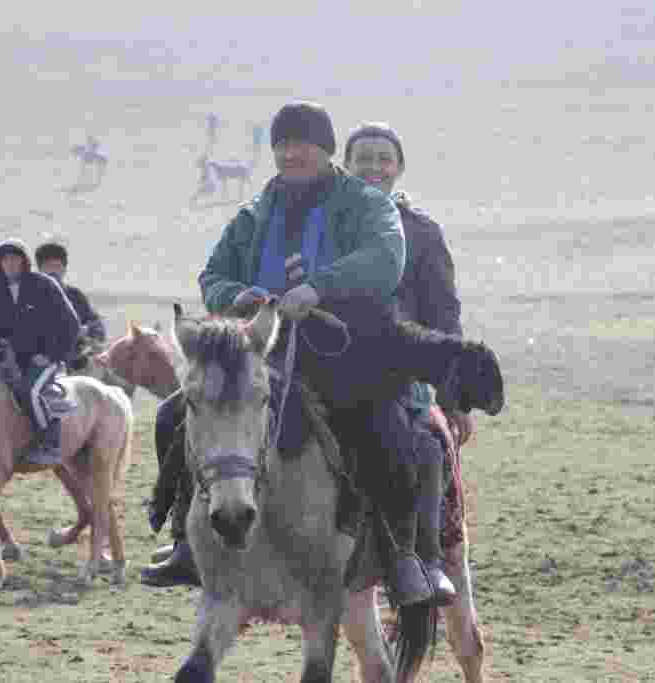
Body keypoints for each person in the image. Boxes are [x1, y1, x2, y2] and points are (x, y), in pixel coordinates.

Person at [140, 102, 504, 607]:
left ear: (325, 150)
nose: (292, 153)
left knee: (389, 431)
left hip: (349, 351)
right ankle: (186, 538)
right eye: (283, 145)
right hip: (266, 351)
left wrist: (318, 289)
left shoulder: (365, 206)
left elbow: (383, 260)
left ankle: (405, 557)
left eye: (303, 144)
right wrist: (240, 296)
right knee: (174, 414)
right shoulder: (254, 214)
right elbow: (212, 276)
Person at [343, 121, 468, 604]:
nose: (373, 166)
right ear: (345, 165)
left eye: (383, 157)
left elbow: (443, 315)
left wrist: (453, 394)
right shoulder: (322, 224)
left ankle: (421, 559)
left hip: (397, 375)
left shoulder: (421, 232)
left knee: (425, 448)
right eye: (363, 157)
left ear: (397, 167)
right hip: (324, 367)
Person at [0, 238, 80, 465]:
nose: (10, 264)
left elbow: (71, 323)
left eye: (15, 259)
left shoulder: (44, 285)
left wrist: (52, 355)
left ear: (24, 261)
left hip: (45, 360)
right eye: (5, 260)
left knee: (30, 392)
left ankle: (50, 443)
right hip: (10, 362)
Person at [34, 241, 107, 371]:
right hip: (40, 363)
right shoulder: (29, 297)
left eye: (57, 266)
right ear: (39, 270)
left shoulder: (75, 295)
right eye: (48, 266)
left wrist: (86, 330)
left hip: (76, 363)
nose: (52, 271)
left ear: (64, 269)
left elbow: (97, 326)